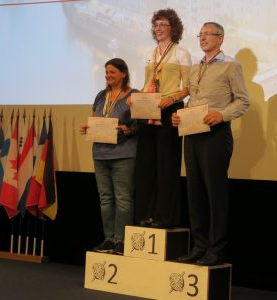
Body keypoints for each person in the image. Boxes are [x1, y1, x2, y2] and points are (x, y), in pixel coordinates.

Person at [172, 22, 250, 266]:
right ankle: (200, 246)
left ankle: (216, 250)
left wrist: (221, 115)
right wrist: (181, 114)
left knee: (214, 193)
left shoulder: (231, 65)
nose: (203, 38)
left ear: (221, 38)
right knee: (194, 193)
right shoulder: (195, 69)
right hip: (192, 133)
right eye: (200, 34)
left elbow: (243, 102)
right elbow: (194, 99)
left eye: (208, 34)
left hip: (215, 135)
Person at [132, 8, 192, 229]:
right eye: (155, 24)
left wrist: (171, 99)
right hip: (149, 111)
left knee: (167, 167)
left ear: (173, 28)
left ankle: (164, 217)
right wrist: (135, 98)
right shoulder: (150, 53)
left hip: (170, 110)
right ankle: (145, 215)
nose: (157, 28)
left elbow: (188, 87)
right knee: (146, 166)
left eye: (162, 24)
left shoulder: (181, 53)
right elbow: (148, 83)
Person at [80, 58, 139, 255]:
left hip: (124, 153)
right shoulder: (100, 96)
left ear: (123, 73)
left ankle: (121, 240)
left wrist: (128, 130)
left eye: (112, 72)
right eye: (106, 72)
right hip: (100, 153)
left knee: (123, 198)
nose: (108, 75)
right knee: (105, 199)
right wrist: (88, 127)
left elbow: (142, 125)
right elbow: (96, 118)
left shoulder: (134, 95)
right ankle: (108, 238)